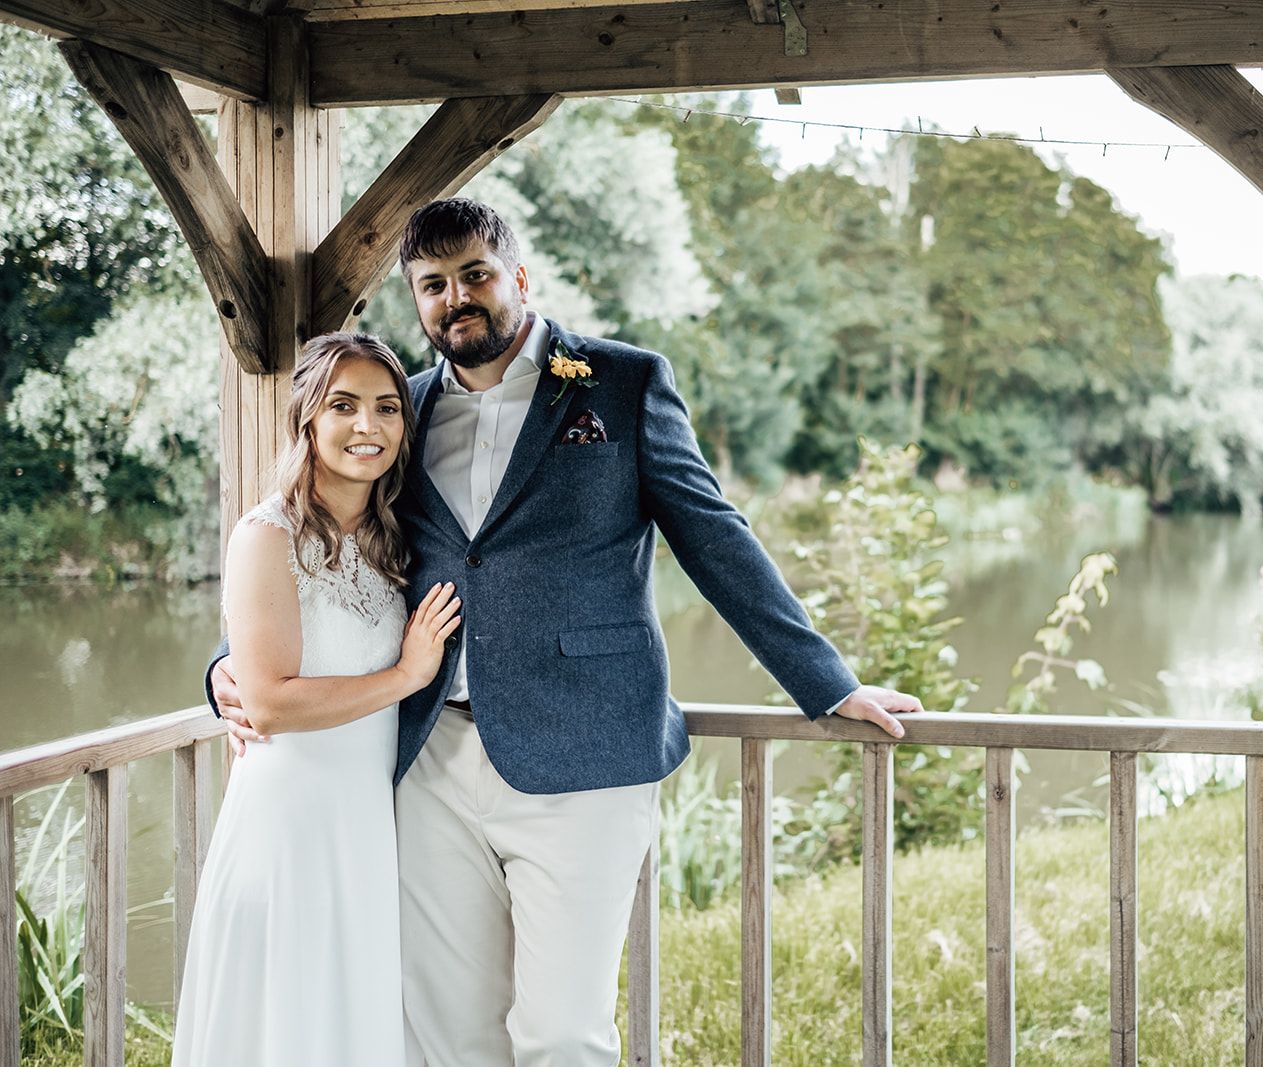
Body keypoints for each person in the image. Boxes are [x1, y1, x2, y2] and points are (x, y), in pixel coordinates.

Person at [207, 198, 923, 1066]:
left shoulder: (621, 382)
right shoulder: (402, 414)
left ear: (518, 275)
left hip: (586, 754)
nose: (455, 297)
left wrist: (826, 681)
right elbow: (335, 562)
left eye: (474, 274)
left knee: (558, 1034)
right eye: (432, 285)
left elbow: (713, 535)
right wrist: (230, 671)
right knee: (446, 1029)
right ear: (416, 299)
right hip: (430, 758)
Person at [174, 333, 462, 1066]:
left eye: (386, 408)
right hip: (289, 825)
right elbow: (266, 700)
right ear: (307, 415)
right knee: (284, 1021)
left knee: (348, 1017)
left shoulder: (393, 536)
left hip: (363, 826)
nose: (367, 426)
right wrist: (405, 675)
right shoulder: (265, 534)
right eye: (344, 405)